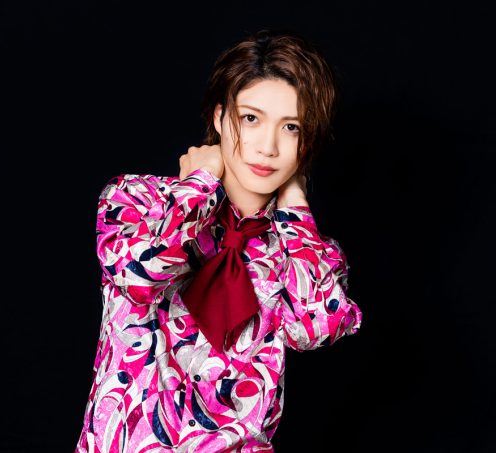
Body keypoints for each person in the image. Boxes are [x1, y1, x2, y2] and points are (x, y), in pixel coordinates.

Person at [75, 29, 363, 452]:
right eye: (251, 119)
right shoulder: (137, 200)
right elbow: (141, 277)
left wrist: (296, 206)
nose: (268, 147)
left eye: (291, 127)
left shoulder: (305, 249)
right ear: (219, 117)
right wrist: (199, 185)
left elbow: (317, 328)